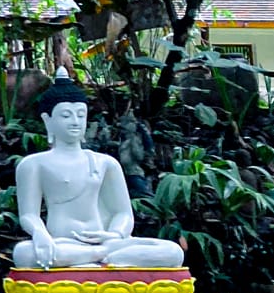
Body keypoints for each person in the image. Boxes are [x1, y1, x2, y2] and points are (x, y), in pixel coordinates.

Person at [11, 77, 186, 270]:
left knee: (173, 252)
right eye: (66, 115)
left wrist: (115, 234)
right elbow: (29, 215)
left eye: (80, 115)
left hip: (106, 241)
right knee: (23, 253)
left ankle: (95, 257)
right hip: (62, 242)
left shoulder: (105, 163)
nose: (75, 122)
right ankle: (101, 259)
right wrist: (40, 234)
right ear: (48, 120)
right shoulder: (34, 164)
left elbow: (122, 213)